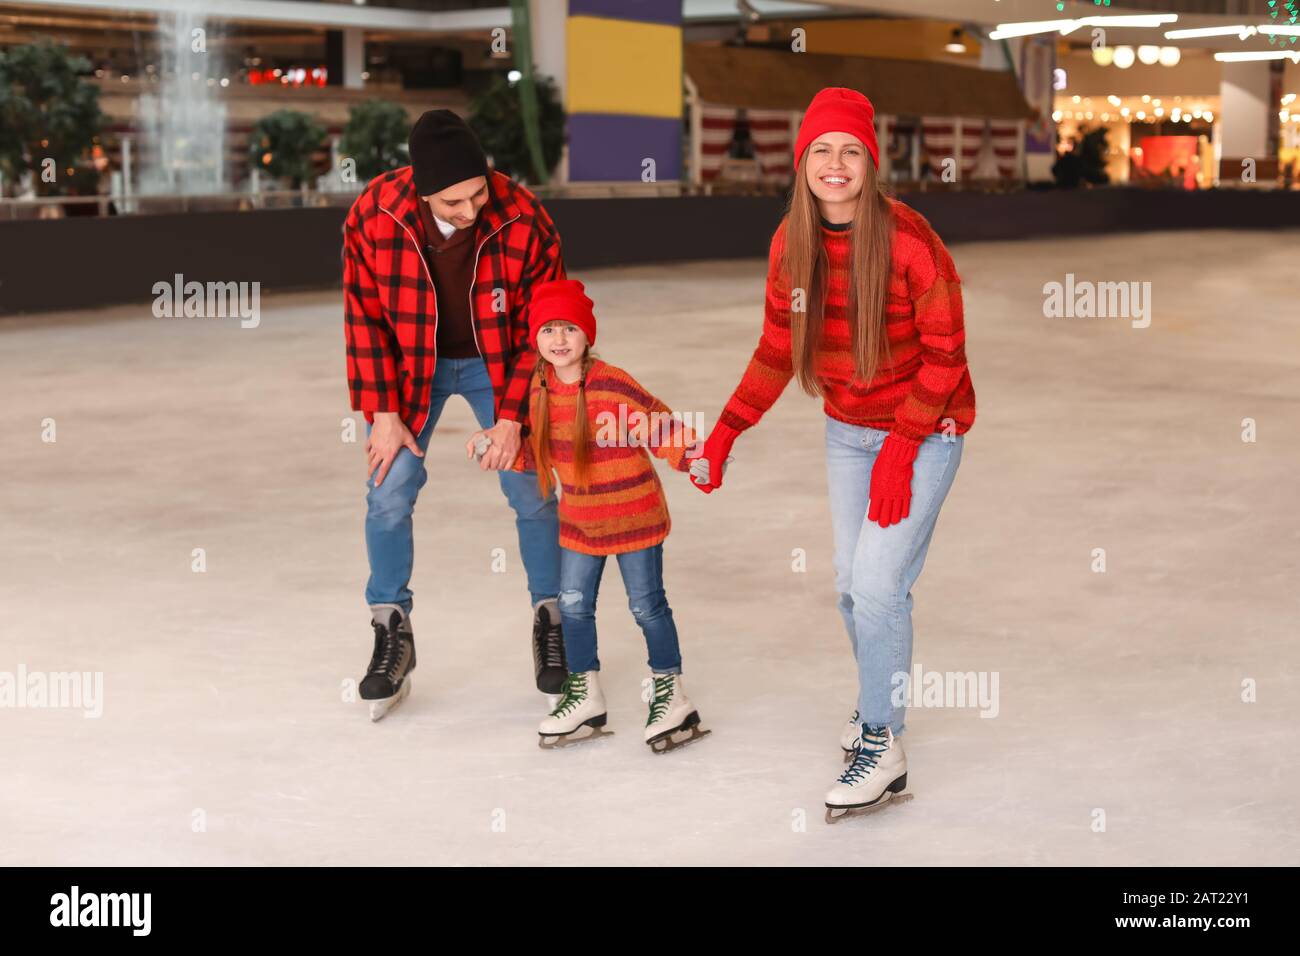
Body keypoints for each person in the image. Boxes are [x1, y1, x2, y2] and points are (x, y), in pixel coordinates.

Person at [694, 88, 975, 819]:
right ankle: (875, 703)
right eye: (822, 150)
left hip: (927, 429)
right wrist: (724, 432)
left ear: (871, 164)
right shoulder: (793, 246)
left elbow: (947, 357)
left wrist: (904, 447)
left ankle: (883, 740)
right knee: (852, 584)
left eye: (851, 150)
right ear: (803, 163)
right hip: (849, 432)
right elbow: (778, 349)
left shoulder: (910, 241)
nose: (836, 163)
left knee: (880, 586)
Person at [342, 109, 567, 720]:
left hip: (500, 364)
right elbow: (363, 316)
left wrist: (514, 416)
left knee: (533, 486)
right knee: (388, 491)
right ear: (421, 189)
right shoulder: (375, 213)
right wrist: (382, 411)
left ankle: (554, 619)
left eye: (478, 193)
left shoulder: (523, 216)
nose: (472, 210)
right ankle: (392, 632)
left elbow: (542, 329)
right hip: (414, 367)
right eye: (454, 201)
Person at [494, 279, 711, 754]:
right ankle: (584, 691)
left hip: (634, 516)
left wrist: (690, 454)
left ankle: (670, 691)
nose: (558, 339)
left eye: (569, 328)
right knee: (571, 605)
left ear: (587, 336)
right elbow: (535, 454)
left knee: (646, 605)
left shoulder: (611, 383)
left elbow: (657, 421)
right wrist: (499, 451)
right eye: (548, 329)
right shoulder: (539, 392)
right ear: (536, 338)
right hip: (580, 523)